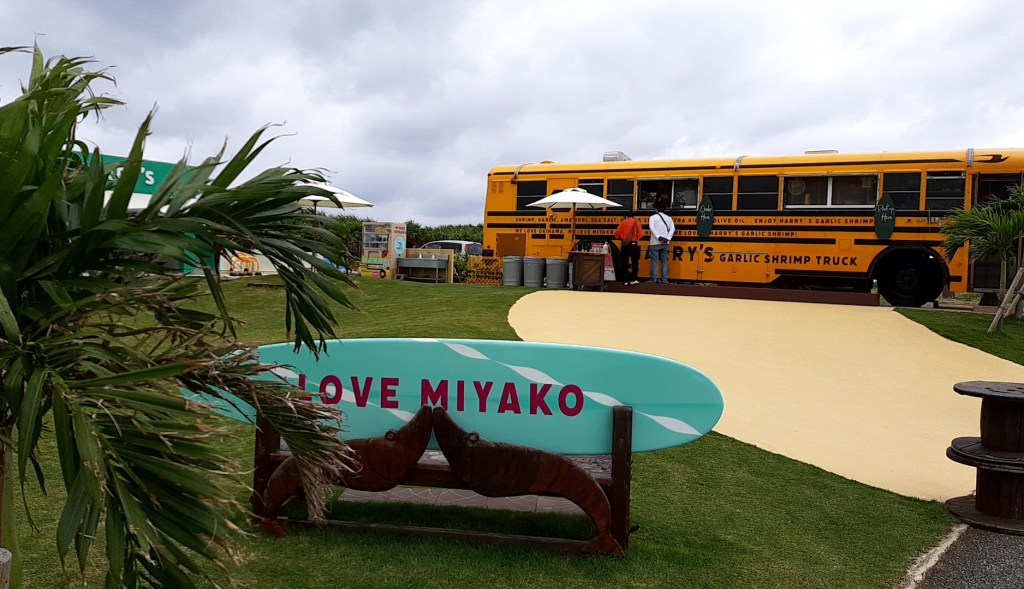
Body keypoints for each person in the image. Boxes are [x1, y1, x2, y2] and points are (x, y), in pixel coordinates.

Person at [647, 199, 675, 283]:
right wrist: (667, 238)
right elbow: (672, 229)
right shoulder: (669, 218)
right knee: (664, 261)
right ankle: (665, 279)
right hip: (665, 243)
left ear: (656, 208)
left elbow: (652, 228)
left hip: (654, 242)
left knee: (654, 261)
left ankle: (653, 279)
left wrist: (659, 237)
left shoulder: (652, 217)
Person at [613, 210, 642, 284]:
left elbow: (617, 234)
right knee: (635, 262)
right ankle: (633, 279)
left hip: (625, 245)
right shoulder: (637, 222)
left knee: (624, 262)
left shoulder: (623, 222)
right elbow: (640, 235)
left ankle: (625, 280)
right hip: (633, 244)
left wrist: (623, 238)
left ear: (626, 216)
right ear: (633, 216)